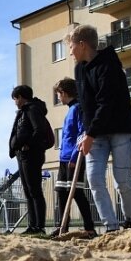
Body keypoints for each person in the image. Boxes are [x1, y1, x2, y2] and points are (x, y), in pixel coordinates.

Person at [69, 24, 131, 232]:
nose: (70, 50)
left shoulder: (109, 65)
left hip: (119, 128)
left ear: (82, 45)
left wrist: (90, 133)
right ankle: (111, 227)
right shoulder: (79, 68)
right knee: (95, 179)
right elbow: (85, 105)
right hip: (95, 133)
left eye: (71, 46)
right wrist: (85, 132)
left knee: (122, 180)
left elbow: (105, 103)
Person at [51, 78, 96, 238]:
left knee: (76, 192)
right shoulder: (70, 110)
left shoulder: (78, 108)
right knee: (62, 192)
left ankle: (90, 228)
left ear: (63, 92)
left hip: (73, 158)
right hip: (64, 158)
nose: (57, 97)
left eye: (58, 94)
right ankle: (62, 226)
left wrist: (75, 156)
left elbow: (81, 132)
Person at [9, 85, 49, 235]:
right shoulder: (25, 111)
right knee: (28, 191)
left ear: (20, 97)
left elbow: (39, 130)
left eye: (15, 99)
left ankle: (39, 226)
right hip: (22, 155)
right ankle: (33, 226)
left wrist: (28, 145)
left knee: (34, 191)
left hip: (31, 155)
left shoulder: (32, 109)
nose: (15, 102)